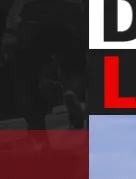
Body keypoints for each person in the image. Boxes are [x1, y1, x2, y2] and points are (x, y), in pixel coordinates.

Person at [0, 0, 86, 130]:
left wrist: (10, 30)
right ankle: (70, 92)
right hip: (71, 14)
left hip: (35, 16)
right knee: (73, 65)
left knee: (26, 75)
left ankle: (36, 126)